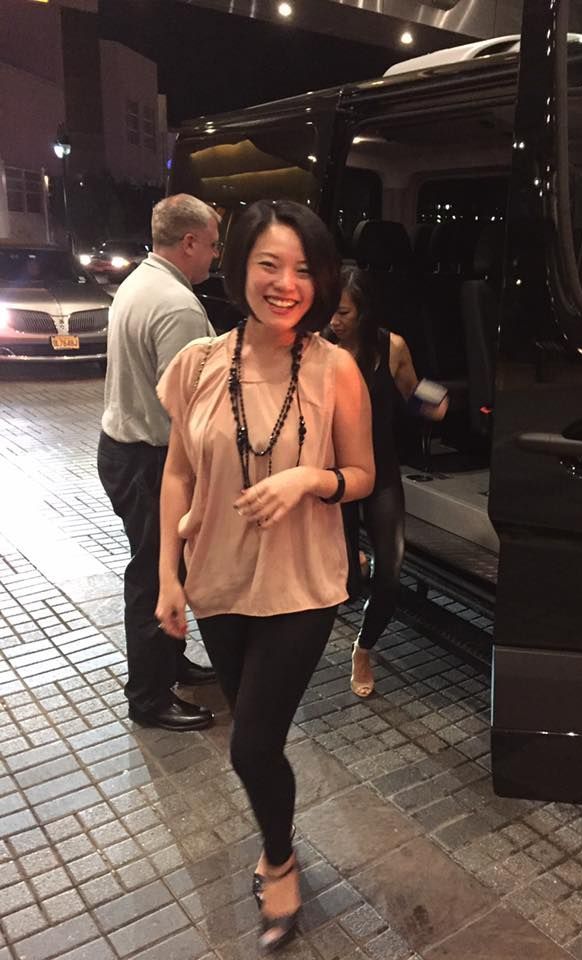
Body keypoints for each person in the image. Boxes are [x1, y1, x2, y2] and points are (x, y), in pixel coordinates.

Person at [155, 199, 374, 953]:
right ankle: (276, 843)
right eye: (269, 265)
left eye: (304, 270)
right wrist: (167, 577)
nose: (286, 284)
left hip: (301, 585)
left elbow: (363, 475)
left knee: (251, 744)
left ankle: (278, 860)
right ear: (239, 267)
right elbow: (177, 474)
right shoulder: (198, 364)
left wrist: (309, 480)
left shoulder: (336, 369)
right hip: (217, 580)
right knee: (254, 736)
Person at [97, 194, 221, 732]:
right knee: (154, 574)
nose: (215, 255)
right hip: (150, 459)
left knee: (156, 568)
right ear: (189, 242)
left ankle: (169, 665)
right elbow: (191, 405)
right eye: (212, 244)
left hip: (122, 450)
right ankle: (148, 698)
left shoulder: (139, 282)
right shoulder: (177, 306)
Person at [327, 265, 448, 698]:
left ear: (364, 312)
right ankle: (352, 565)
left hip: (380, 471)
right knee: (342, 581)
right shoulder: (318, 349)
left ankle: (364, 648)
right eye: (329, 311)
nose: (334, 321)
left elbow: (413, 391)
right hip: (334, 476)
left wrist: (436, 401)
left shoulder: (391, 346)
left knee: (391, 574)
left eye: (343, 313)